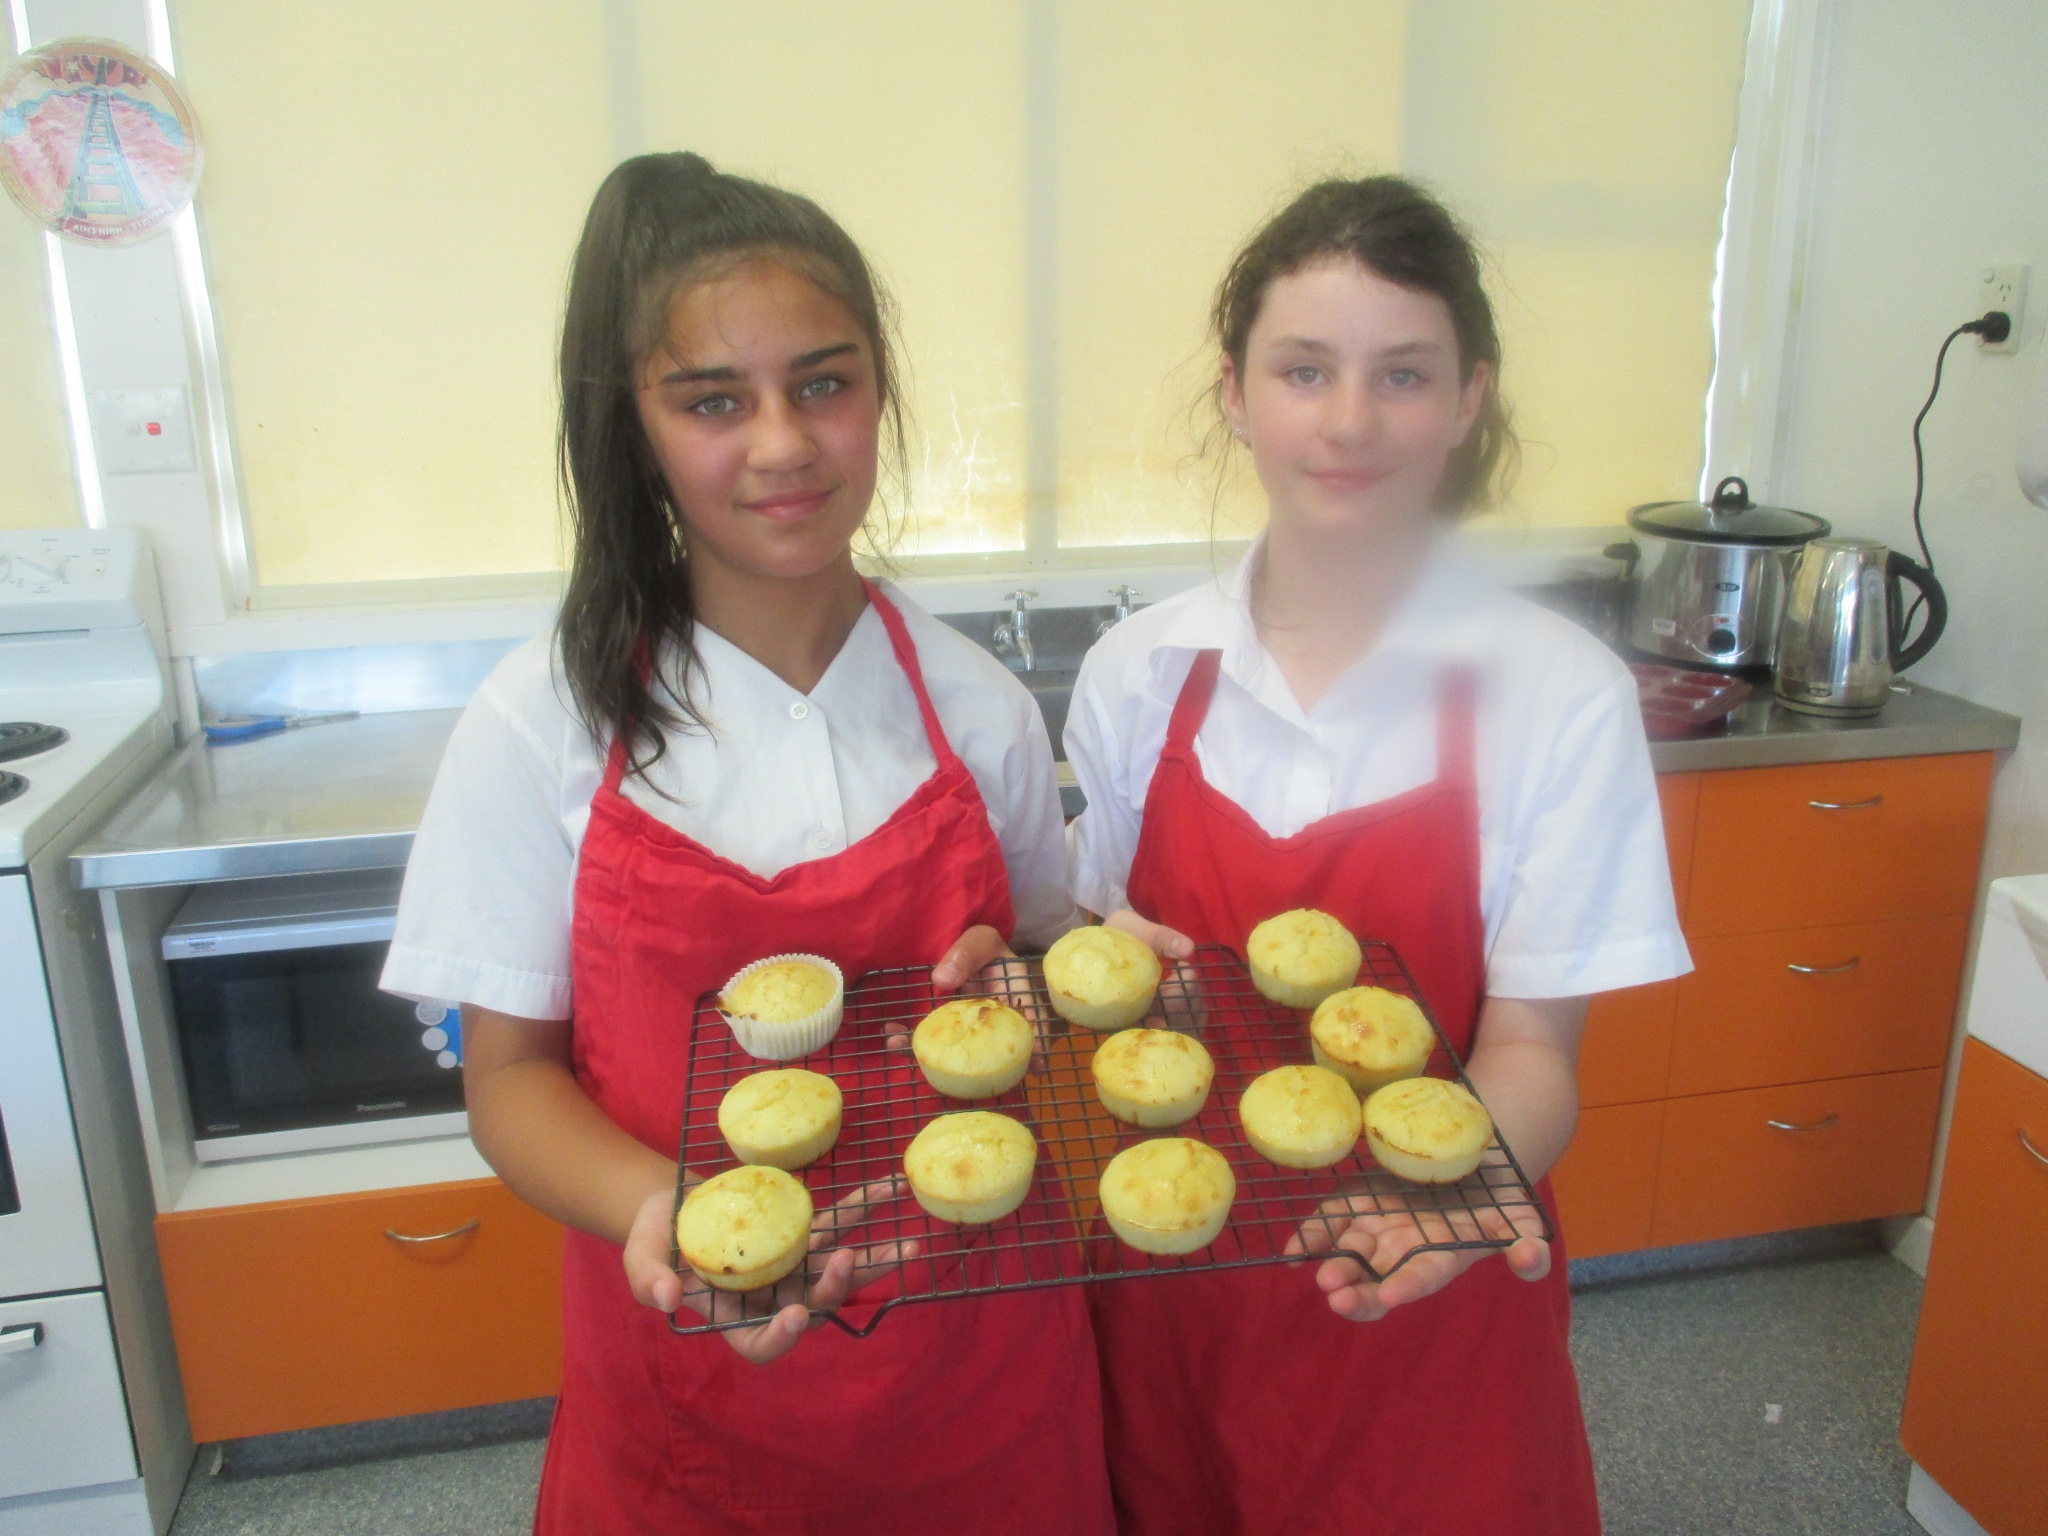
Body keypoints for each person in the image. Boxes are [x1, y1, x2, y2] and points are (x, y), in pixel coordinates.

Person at [382, 152, 1113, 1536]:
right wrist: (664, 1211)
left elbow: (1036, 965)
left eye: (823, 383)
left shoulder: (978, 707)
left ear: (880, 394)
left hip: (982, 1368)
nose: (783, 443)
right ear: (636, 431)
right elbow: (510, 1082)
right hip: (690, 1388)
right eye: (713, 401)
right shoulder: (543, 722)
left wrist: (1046, 986)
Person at [1064, 175, 1690, 1534]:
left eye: (1403, 374)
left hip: (1431, 1297)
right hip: (1173, 1302)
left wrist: (1451, 1192)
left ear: (1469, 399)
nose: (1349, 421)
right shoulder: (1140, 674)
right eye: (1305, 370)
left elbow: (1533, 1050)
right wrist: (1089, 955)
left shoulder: (1556, 693)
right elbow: (1100, 956)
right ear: (1236, 393)